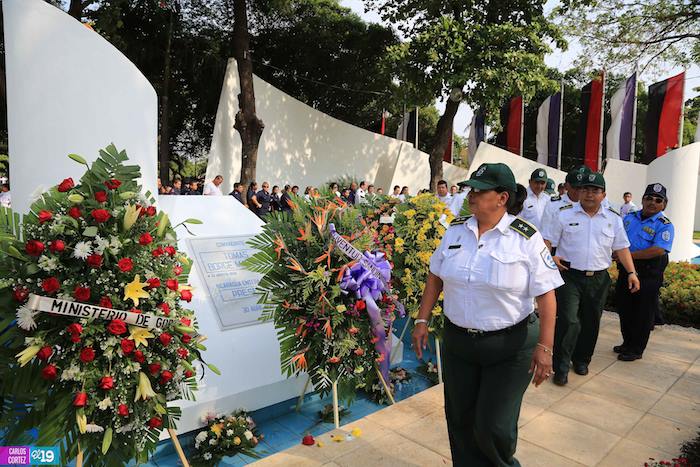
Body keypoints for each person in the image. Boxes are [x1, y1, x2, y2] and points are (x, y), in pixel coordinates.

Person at [413, 162, 562, 467]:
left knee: (493, 427)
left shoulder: (525, 238)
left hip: (510, 346)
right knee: (460, 419)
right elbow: (435, 276)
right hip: (459, 343)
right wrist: (422, 319)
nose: (471, 195)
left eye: (480, 191)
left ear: (502, 198)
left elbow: (547, 294)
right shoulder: (456, 230)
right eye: (471, 189)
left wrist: (545, 347)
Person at [547, 172, 640, 386]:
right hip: (569, 276)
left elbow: (622, 247)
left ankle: (582, 360)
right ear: (579, 192)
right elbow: (547, 240)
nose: (589, 194)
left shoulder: (613, 219)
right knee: (568, 320)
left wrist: (632, 273)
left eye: (595, 190)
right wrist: (550, 256)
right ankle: (561, 366)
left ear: (603, 194)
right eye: (585, 189)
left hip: (599, 279)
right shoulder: (563, 214)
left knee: (591, 321)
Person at [615, 183, 674, 361]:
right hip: (626, 270)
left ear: (664, 204)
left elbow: (659, 249)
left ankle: (636, 349)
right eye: (649, 198)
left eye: (658, 200)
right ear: (642, 200)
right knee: (625, 307)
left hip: (648, 273)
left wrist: (628, 256)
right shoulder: (629, 218)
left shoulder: (664, 225)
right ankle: (627, 342)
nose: (652, 202)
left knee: (643, 312)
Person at [541, 165, 591, 244]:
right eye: (575, 187)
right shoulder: (553, 204)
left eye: (581, 188)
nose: (578, 191)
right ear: (567, 186)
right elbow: (545, 233)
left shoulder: (588, 205)